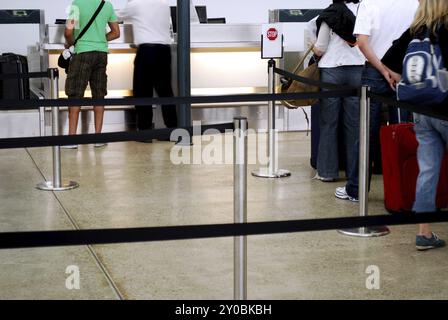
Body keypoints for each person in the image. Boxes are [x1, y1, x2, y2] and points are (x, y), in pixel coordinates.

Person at [335, 0, 419, 202]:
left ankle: (356, 189)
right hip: (405, 73)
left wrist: (383, 69)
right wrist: (395, 70)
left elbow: (362, 42)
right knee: (404, 132)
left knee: (365, 134)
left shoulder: (369, 3)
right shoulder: (413, 3)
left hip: (374, 72)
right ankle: (406, 190)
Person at [382, 0, 448, 250]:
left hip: (421, 112)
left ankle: (424, 233)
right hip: (445, 108)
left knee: (428, 170)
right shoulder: (445, 27)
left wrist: (407, 83)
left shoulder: (416, 30)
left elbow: (388, 61)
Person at [311, 0, 365, 185]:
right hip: (358, 70)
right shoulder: (364, 11)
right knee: (354, 124)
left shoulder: (331, 12)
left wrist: (313, 48)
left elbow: (321, 47)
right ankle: (355, 175)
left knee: (329, 122)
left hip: (332, 71)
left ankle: (327, 172)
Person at [117, 0, 178, 139]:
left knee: (143, 92)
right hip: (164, 51)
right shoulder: (164, 4)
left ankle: (145, 132)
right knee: (165, 91)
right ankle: (173, 130)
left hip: (147, 51)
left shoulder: (136, 4)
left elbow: (116, 16)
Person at [64, 0, 120, 149]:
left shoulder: (77, 4)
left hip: (82, 52)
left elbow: (68, 32)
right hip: (101, 54)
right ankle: (98, 138)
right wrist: (100, 40)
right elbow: (116, 33)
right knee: (99, 94)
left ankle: (72, 139)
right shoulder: (107, 5)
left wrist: (71, 43)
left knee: (75, 94)